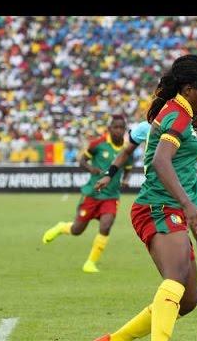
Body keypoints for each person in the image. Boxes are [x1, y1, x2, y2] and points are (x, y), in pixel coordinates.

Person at [90, 54, 197, 341]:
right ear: (189, 89)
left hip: (167, 207)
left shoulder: (183, 112)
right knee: (174, 277)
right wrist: (190, 206)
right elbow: (162, 160)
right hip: (157, 207)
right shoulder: (176, 113)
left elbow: (186, 148)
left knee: (186, 301)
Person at [94, 118, 197, 303]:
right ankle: (193, 287)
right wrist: (109, 174)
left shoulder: (185, 118)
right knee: (180, 238)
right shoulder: (144, 128)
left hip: (189, 189)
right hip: (163, 192)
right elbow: (127, 151)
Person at [41, 114, 132, 273]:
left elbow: (129, 169)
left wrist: (126, 179)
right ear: (109, 129)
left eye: (121, 128)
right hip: (92, 194)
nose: (118, 130)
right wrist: (92, 169)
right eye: (115, 127)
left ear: (125, 130)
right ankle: (61, 227)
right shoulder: (98, 144)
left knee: (106, 225)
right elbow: (82, 160)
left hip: (111, 196)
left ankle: (90, 263)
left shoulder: (127, 149)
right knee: (77, 230)